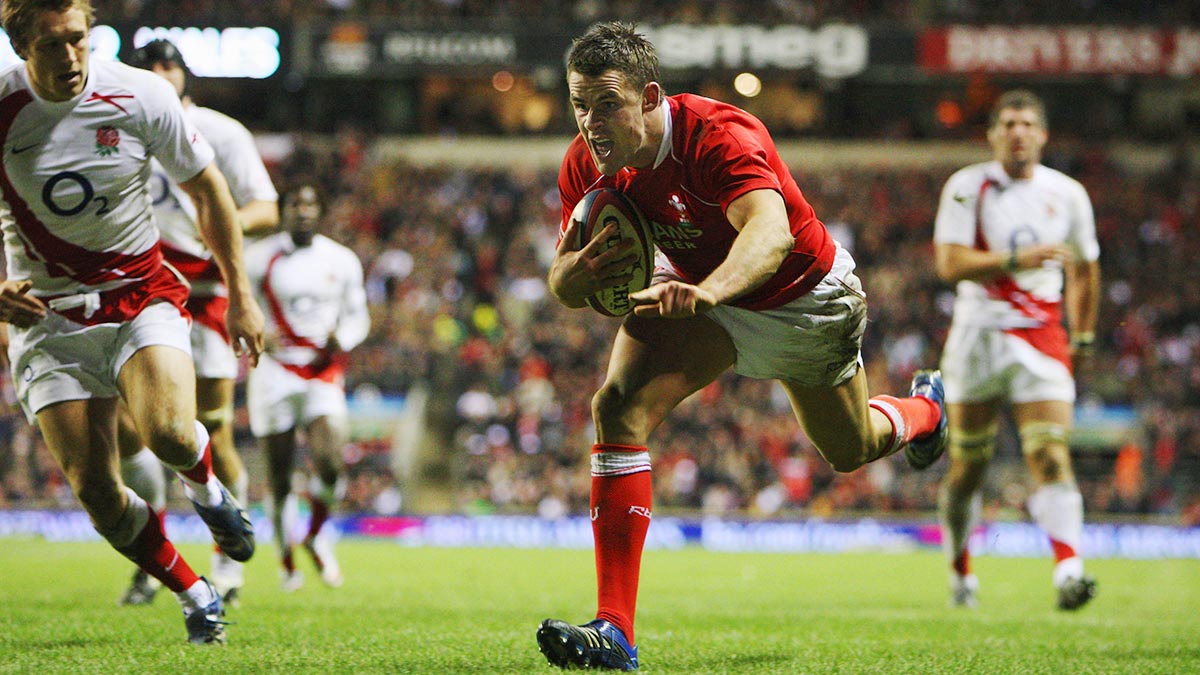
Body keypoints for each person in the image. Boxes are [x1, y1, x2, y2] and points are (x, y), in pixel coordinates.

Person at [536, 22, 948, 671]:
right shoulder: (588, 165)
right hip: (702, 296)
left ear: (648, 97)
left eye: (606, 103)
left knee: (851, 449)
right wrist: (571, 279)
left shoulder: (717, 133)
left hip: (802, 298)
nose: (590, 121)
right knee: (617, 405)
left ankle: (925, 411)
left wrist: (708, 291)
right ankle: (615, 629)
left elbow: (770, 232)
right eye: (579, 104)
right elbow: (563, 279)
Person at [0, 0, 264, 645]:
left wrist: (241, 296)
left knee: (172, 432)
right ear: (19, 45)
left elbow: (210, 192)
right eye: (51, 46)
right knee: (97, 491)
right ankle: (193, 591)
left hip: (139, 295)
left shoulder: (139, 93)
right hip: (48, 319)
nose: (70, 58)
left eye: (78, 40)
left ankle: (212, 499)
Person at [114, 38, 279, 609]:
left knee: (210, 427)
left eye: (169, 66)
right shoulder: (113, 123)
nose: (159, 74)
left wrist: (218, 222)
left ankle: (225, 564)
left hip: (203, 295)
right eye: (148, 67)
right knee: (126, 431)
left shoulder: (221, 132)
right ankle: (149, 557)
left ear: (185, 76)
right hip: (131, 290)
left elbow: (266, 207)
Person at [931, 90, 1101, 611]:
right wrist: (1018, 258)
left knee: (1049, 453)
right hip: (977, 336)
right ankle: (961, 573)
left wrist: (1085, 334)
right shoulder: (967, 185)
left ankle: (1069, 570)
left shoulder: (1068, 194)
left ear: (1043, 135)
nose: (1018, 132)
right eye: (1008, 123)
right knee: (967, 470)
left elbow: (1086, 268)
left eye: (1027, 123)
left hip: (1041, 336)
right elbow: (951, 265)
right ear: (992, 134)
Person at [243, 182, 369, 592]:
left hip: (321, 371)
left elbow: (358, 316)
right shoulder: (259, 258)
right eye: (295, 204)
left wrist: (343, 339)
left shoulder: (342, 260)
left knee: (331, 461)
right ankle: (285, 559)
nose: (303, 211)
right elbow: (238, 308)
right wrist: (259, 333)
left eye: (310, 204)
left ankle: (314, 535)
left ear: (320, 211)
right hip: (274, 372)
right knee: (279, 478)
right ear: (283, 210)